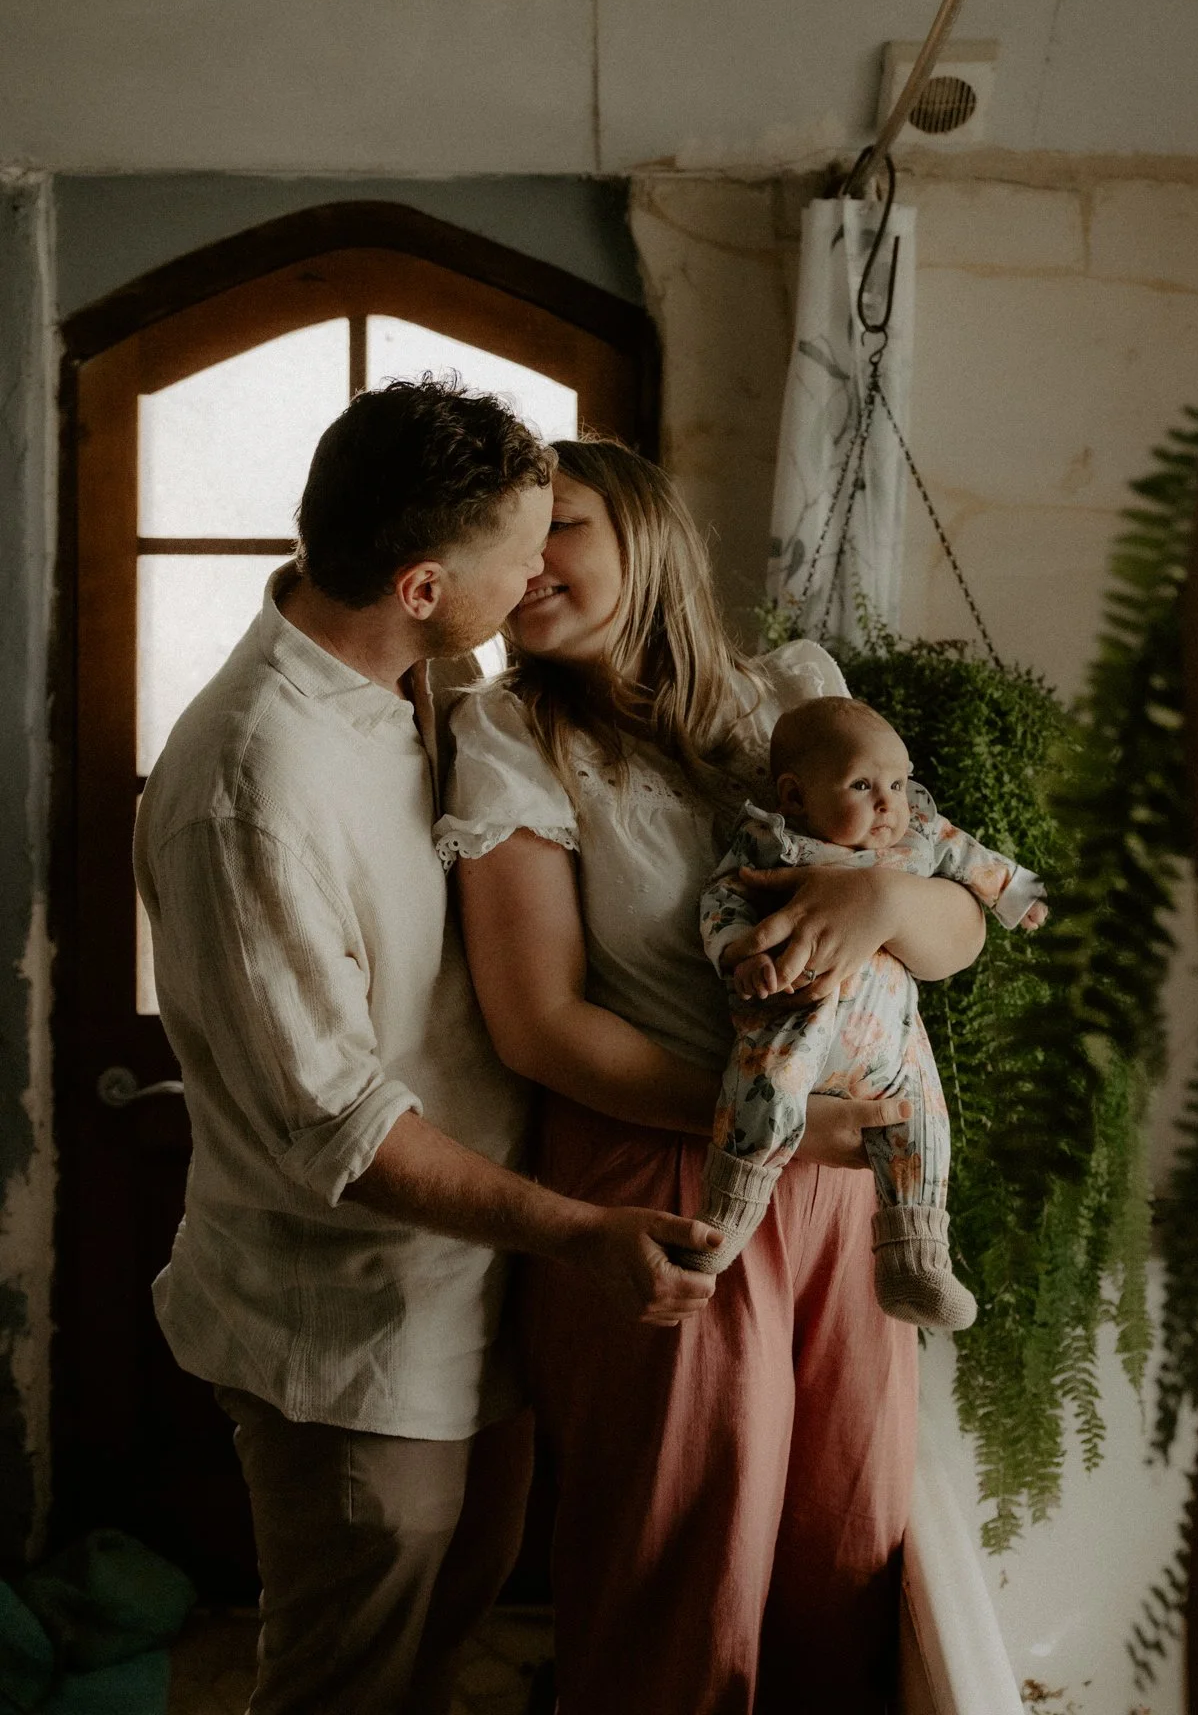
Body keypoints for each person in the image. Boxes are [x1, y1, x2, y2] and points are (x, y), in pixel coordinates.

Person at [134, 385, 719, 1715]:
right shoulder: (250, 793)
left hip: (479, 1292)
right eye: (521, 549)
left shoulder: (423, 678)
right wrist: (578, 1231)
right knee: (351, 1681)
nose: (537, 574)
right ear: (416, 581)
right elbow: (341, 1130)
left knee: (448, 1631)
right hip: (351, 1334)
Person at [446, 438, 988, 1715]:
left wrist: (883, 894)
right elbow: (539, 1023)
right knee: (682, 1563)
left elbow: (957, 934)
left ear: (644, 530)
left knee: (843, 1543)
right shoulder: (510, 734)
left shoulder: (794, 695)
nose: (530, 562)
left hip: (851, 1182)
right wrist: (778, 1125)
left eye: (561, 524)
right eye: (511, 538)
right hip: (663, 1172)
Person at [685, 694, 1047, 1329]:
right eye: (863, 784)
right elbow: (723, 899)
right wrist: (738, 954)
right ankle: (721, 1228)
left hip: (896, 1042)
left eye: (900, 783)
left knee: (924, 1127)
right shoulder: (774, 846)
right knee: (760, 1097)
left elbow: (972, 857)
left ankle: (917, 1260)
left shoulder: (915, 837)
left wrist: (1020, 895)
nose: (889, 802)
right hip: (799, 1026)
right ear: (796, 796)